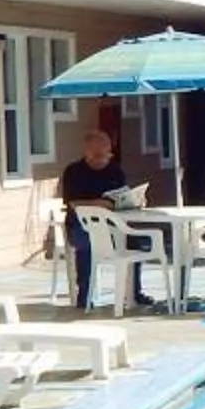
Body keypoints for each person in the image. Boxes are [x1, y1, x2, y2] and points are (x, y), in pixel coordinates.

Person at [59, 128, 134, 308]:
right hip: (80, 224)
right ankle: (84, 296)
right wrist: (100, 203)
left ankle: (134, 293)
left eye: (105, 153)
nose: (102, 158)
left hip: (111, 223)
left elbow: (122, 197)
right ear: (87, 152)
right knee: (87, 245)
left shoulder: (115, 171)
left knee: (134, 242)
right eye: (97, 154)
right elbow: (73, 203)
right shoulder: (74, 172)